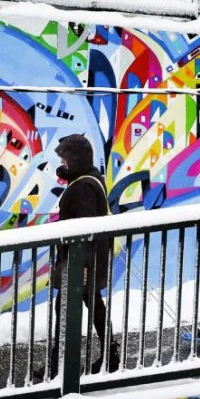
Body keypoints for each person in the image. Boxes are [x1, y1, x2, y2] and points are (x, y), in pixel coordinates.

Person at [43, 134, 121, 377]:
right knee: (93, 305)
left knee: (64, 308)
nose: (62, 164)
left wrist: (80, 265)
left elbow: (83, 229)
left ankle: (59, 367)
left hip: (80, 262)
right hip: (86, 260)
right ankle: (110, 356)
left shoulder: (83, 186)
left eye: (65, 159)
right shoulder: (87, 180)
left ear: (75, 160)